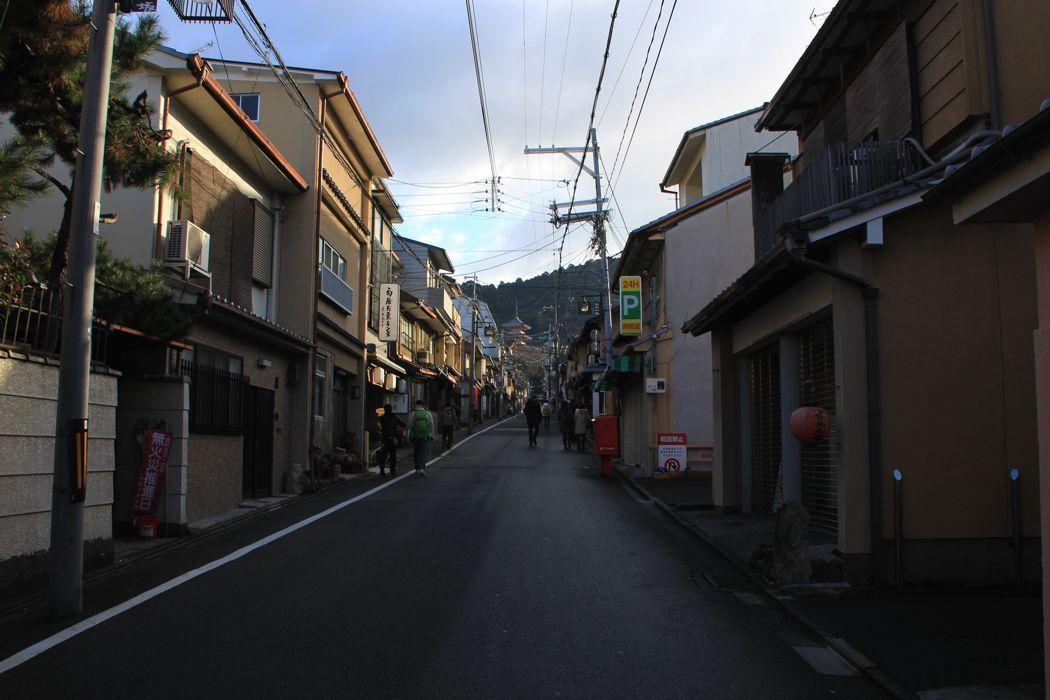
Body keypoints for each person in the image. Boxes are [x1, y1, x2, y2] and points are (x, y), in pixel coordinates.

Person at [406, 400, 435, 475]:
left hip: (415, 436)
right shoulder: (427, 413)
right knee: (423, 451)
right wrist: (432, 434)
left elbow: (409, 425)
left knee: (416, 451)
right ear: (422, 405)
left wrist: (407, 436)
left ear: (416, 405)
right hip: (425, 435)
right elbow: (431, 424)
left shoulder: (413, 413)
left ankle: (417, 468)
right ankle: (422, 468)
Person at [377, 404, 404, 477]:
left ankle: (382, 468)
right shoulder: (395, 417)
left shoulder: (382, 417)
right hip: (392, 438)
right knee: (393, 455)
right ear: (391, 409)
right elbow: (403, 424)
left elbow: (380, 426)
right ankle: (393, 471)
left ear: (385, 409)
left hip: (384, 438)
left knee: (384, 454)